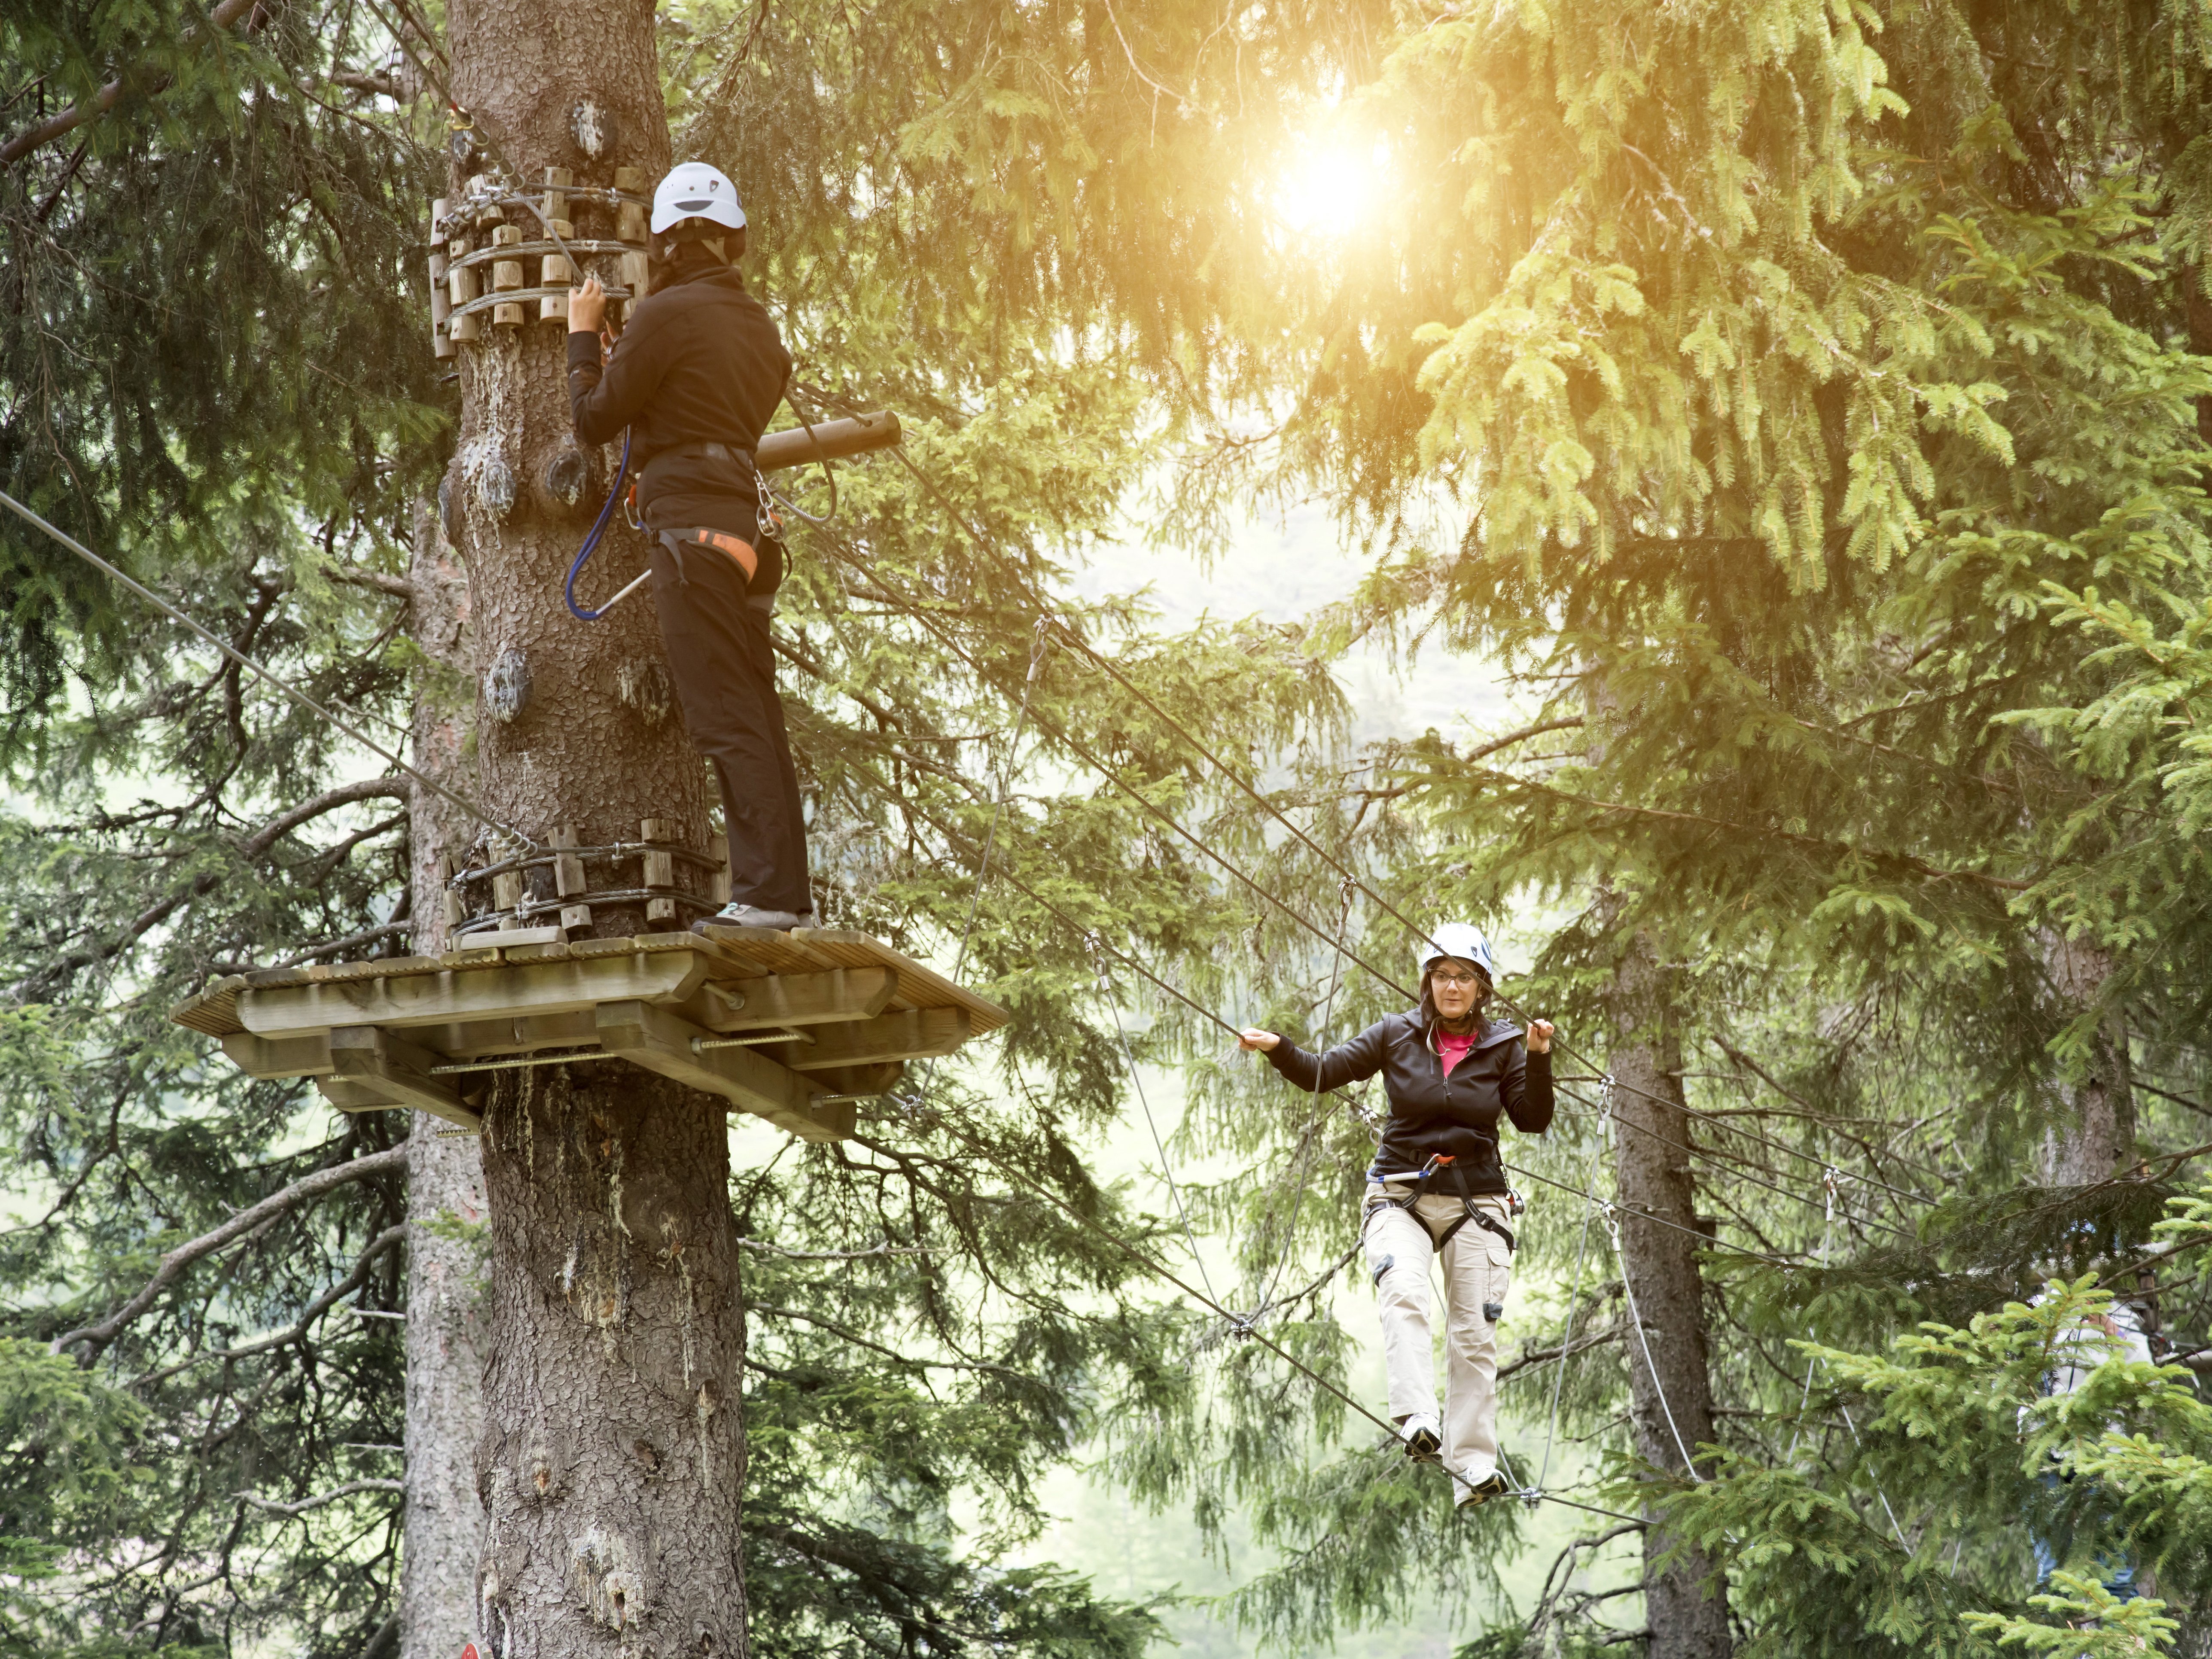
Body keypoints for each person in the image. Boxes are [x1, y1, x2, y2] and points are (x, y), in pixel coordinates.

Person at [565, 161, 812, 932]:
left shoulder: (666, 314)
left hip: (692, 532)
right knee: (757, 719)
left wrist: (584, 338)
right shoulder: (759, 328)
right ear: (728, 240)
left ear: (667, 241)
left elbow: (596, 421)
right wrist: (639, 351)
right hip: (742, 530)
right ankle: (789, 896)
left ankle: (769, 899)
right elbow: (705, 398)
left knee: (726, 719)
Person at [1237, 923, 1554, 1507]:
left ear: (1482, 987)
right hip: (1398, 1191)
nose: (1451, 986)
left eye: (1463, 976)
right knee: (1403, 1292)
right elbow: (1321, 1073)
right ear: (1426, 982)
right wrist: (1278, 1048)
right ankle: (1416, 1421)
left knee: (1473, 1335)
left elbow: (1531, 1118)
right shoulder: (1394, 1034)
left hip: (1477, 1200)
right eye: (1441, 975)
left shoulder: (1506, 1044)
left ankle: (1474, 1468)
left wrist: (1537, 1059)